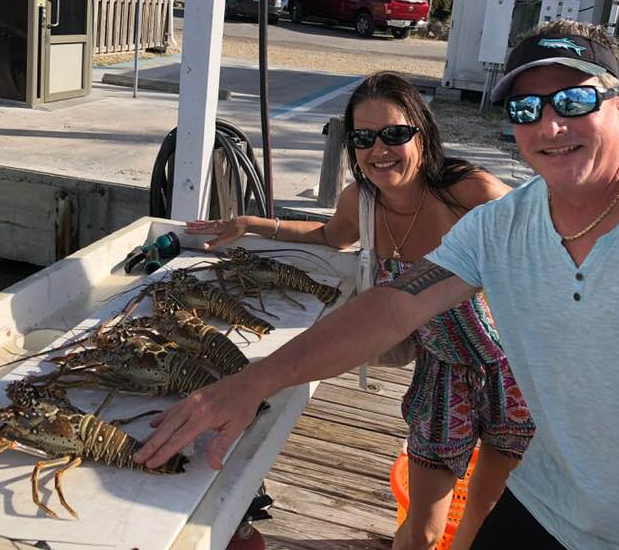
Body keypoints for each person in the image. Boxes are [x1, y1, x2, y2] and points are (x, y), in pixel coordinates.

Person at [135, 20, 619, 549]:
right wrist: (254, 380)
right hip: (550, 503)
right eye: (526, 106)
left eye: (575, 100)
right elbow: (393, 306)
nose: (550, 125)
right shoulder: (503, 226)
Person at [183, 72, 535, 550]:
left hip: (511, 369)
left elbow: (545, 262)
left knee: (483, 512)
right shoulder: (361, 202)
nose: (379, 149)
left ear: (422, 133)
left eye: (394, 133)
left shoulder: (472, 194)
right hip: (442, 374)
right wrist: (251, 224)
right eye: (363, 138)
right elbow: (330, 237)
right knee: (424, 531)